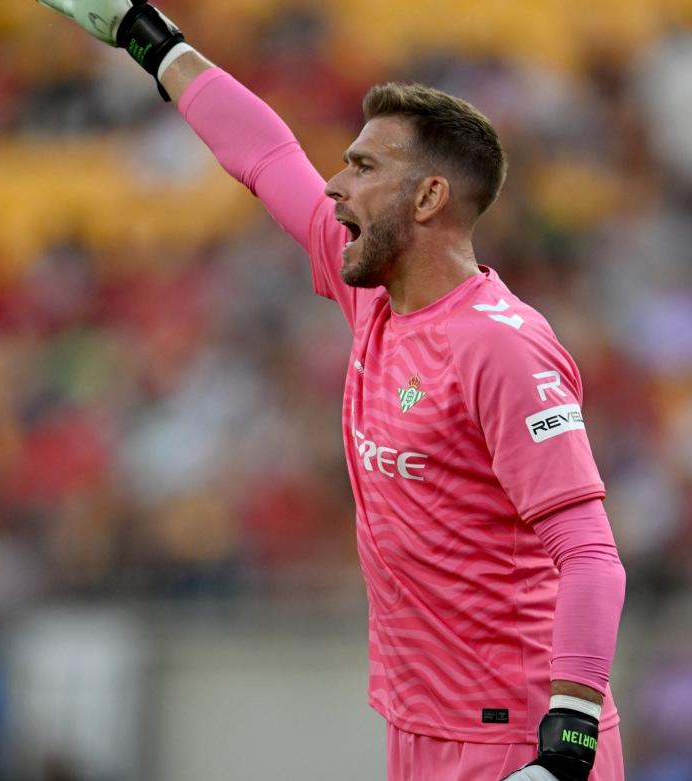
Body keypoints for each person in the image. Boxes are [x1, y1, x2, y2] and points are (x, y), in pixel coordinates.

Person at [35, 2, 627, 779]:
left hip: (515, 740)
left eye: (364, 167)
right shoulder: (374, 297)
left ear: (427, 201)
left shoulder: (499, 346)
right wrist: (151, 38)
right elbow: (263, 154)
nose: (335, 185)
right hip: (418, 728)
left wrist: (568, 745)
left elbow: (590, 554)